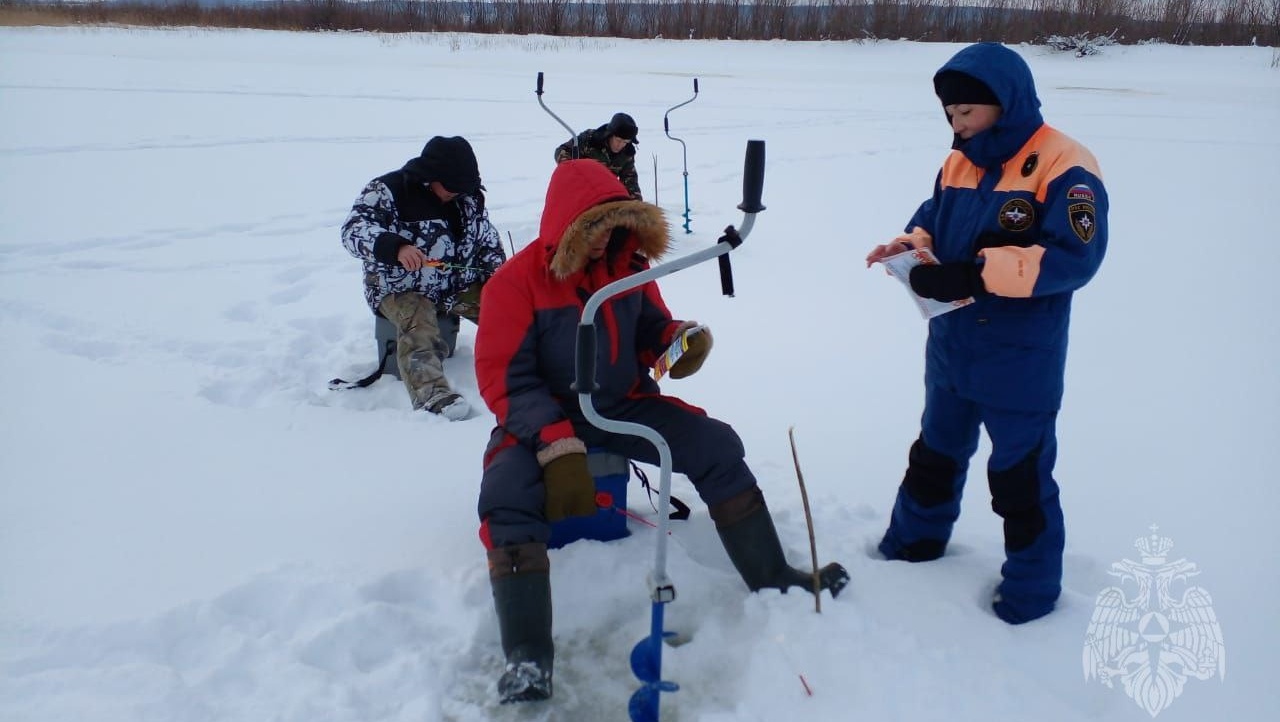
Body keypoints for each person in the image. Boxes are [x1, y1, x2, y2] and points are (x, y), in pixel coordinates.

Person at [474, 159, 849, 703]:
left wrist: (677, 340)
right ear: (568, 225)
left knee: (715, 445)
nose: (606, 239)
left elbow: (650, 329)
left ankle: (773, 578)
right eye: (595, 227)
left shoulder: (632, 270)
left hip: (623, 406)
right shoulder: (515, 284)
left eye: (615, 225)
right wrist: (556, 442)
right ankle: (528, 656)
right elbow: (505, 379)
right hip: (544, 418)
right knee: (506, 494)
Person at [865, 42, 1108, 625]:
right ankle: (912, 548)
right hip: (952, 347)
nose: (957, 123)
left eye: (967, 112)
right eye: (950, 114)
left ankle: (1029, 594)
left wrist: (975, 272)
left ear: (1004, 102)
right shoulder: (959, 160)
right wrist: (911, 245)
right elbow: (934, 215)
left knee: (1019, 479)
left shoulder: (1064, 164)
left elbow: (1076, 256)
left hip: (1020, 358)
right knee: (934, 456)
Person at [341, 136, 506, 420]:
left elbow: (487, 241)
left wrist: (498, 278)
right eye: (451, 186)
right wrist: (396, 248)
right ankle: (433, 395)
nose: (457, 193)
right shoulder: (389, 190)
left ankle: (546, 364)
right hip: (399, 287)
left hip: (455, 287)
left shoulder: (467, 198)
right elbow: (353, 230)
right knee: (418, 320)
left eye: (463, 187)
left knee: (508, 309)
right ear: (431, 176)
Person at [554, 111, 643, 200]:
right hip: (578, 190)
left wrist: (637, 207)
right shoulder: (589, 139)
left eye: (625, 142)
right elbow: (562, 150)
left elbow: (631, 182)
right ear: (610, 134)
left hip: (604, 195)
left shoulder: (627, 153)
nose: (620, 145)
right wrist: (572, 169)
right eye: (618, 140)